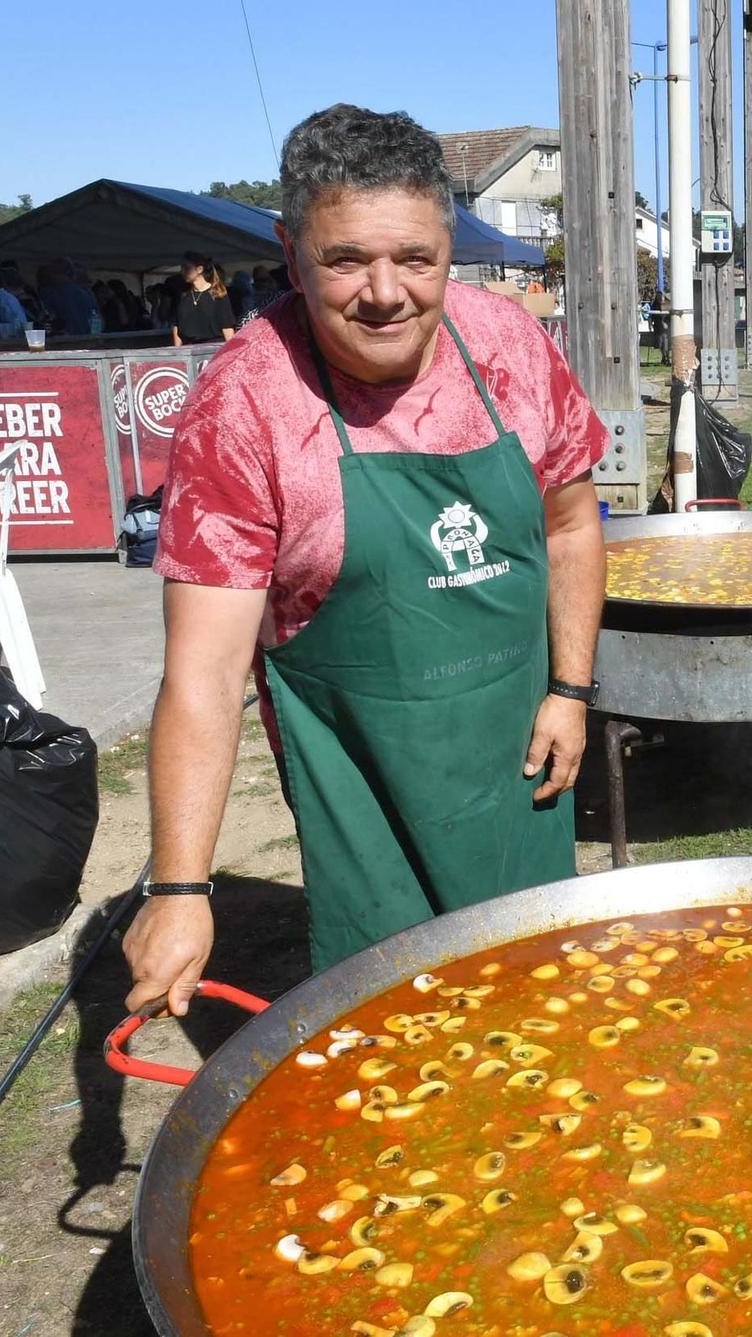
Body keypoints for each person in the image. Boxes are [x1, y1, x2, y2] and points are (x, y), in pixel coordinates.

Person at [123, 103, 610, 1018]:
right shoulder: (243, 407)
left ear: (450, 246)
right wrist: (180, 888)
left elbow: (571, 525)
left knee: (539, 992)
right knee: (399, 1023)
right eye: (346, 260)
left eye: (416, 259)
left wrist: (571, 689)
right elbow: (203, 673)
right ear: (290, 250)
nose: (386, 294)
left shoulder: (510, 345)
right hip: (364, 788)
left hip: (520, 745)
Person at [171, 252, 236, 345]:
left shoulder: (218, 295)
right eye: (182, 268)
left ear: (199, 269)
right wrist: (177, 350)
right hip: (188, 348)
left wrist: (230, 350)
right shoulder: (184, 296)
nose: (182, 271)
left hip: (214, 347)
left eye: (186, 268)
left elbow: (227, 326)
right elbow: (177, 326)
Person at [37, 259, 101, 337]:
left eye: (51, 273)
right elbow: (98, 320)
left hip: (66, 340)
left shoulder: (52, 296)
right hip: (87, 339)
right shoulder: (87, 293)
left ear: (56, 274)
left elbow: (46, 322)